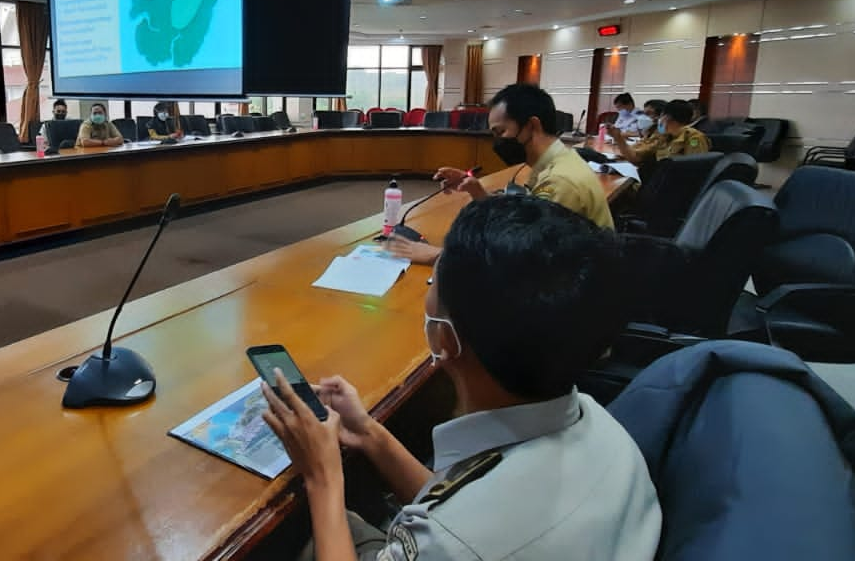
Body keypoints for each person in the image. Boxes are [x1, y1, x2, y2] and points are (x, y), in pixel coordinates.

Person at [262, 195, 662, 561]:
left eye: (435, 281)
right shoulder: (599, 422)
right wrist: (368, 432)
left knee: (292, 533)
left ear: (446, 338)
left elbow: (455, 529)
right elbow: (456, 499)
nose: (430, 290)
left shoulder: (452, 546)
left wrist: (323, 475)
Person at [387, 85, 614, 264]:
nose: (497, 141)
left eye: (501, 131)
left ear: (532, 126)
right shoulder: (558, 162)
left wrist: (438, 256)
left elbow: (523, 258)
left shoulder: (560, 181)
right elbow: (527, 226)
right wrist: (478, 193)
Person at [607, 99, 711, 166]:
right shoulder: (664, 136)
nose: (659, 120)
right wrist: (618, 138)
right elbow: (636, 157)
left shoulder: (694, 138)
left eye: (661, 116)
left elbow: (694, 171)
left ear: (668, 118)